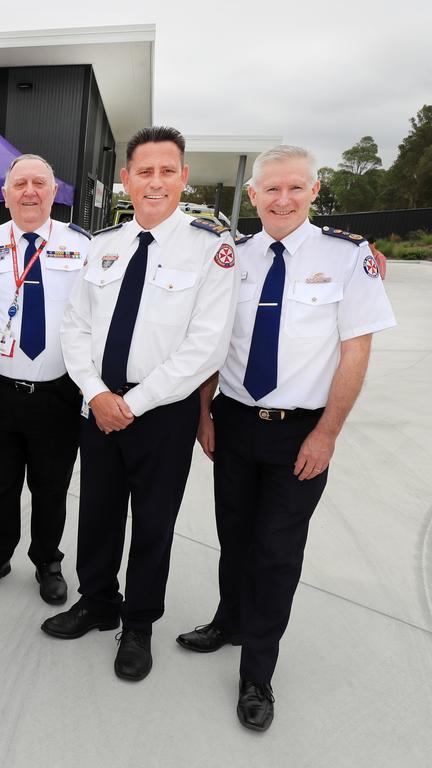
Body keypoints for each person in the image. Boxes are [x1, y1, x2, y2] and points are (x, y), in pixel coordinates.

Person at [176, 145, 396, 731]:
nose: (283, 199)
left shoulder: (349, 260)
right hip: (236, 423)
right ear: (252, 196)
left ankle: (258, 673)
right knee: (234, 536)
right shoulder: (232, 256)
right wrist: (204, 415)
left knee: (276, 553)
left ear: (315, 191)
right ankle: (230, 621)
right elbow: (210, 344)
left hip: (302, 433)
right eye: (270, 189)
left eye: (295, 188)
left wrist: (327, 434)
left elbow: (356, 353)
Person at [42, 126, 237, 683]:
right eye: (144, 172)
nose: (155, 182)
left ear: (183, 177)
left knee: (154, 524)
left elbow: (207, 345)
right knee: (97, 513)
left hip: (163, 413)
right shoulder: (103, 246)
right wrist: (98, 393)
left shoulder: (210, 248)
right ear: (125, 180)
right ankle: (98, 601)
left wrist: (137, 401)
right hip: (99, 406)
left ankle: (139, 624)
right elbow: (75, 326)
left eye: (166, 171)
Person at [0, 154, 90, 605]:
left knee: (52, 485)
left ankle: (47, 559)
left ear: (56, 192)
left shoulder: (85, 247)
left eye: (39, 183)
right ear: (5, 194)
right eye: (20, 184)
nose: (30, 191)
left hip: (60, 392)